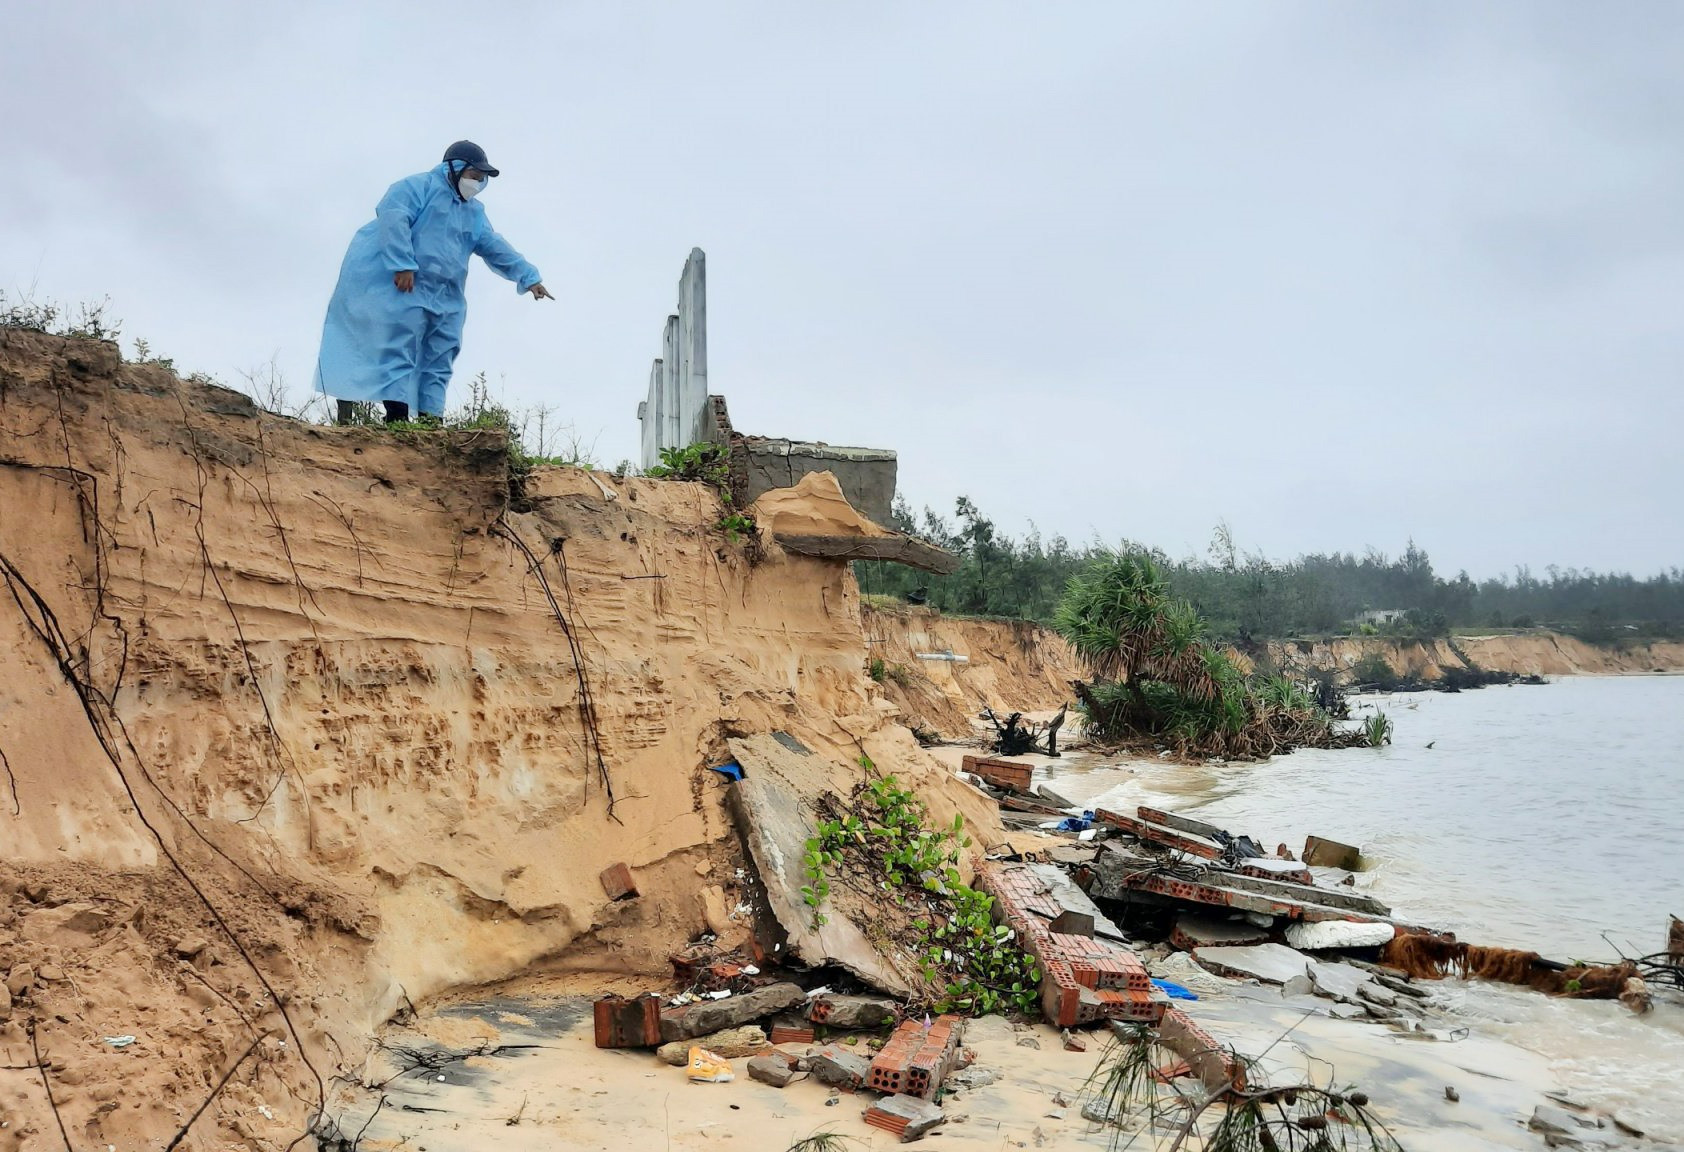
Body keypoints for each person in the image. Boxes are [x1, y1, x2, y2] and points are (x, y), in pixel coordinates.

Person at [315, 141, 551, 424]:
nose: (476, 183)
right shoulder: (418, 188)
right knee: (399, 347)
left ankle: (430, 421)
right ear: (454, 168)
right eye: (473, 175)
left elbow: (493, 245)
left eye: (480, 178)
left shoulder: (474, 212)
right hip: (408, 287)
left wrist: (529, 277)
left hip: (447, 296)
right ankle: (397, 418)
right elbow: (394, 216)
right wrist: (402, 264)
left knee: (442, 355)